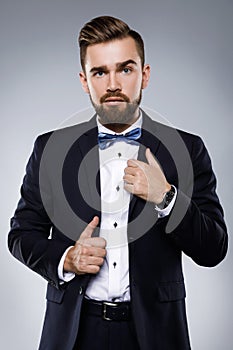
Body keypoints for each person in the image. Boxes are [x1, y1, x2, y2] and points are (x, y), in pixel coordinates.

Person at [8, 16, 228, 350]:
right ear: (85, 80)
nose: (113, 83)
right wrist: (67, 259)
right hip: (74, 332)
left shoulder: (187, 149)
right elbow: (21, 233)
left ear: (145, 75)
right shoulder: (50, 149)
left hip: (155, 334)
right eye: (100, 72)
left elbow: (214, 249)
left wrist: (166, 197)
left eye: (126, 69)